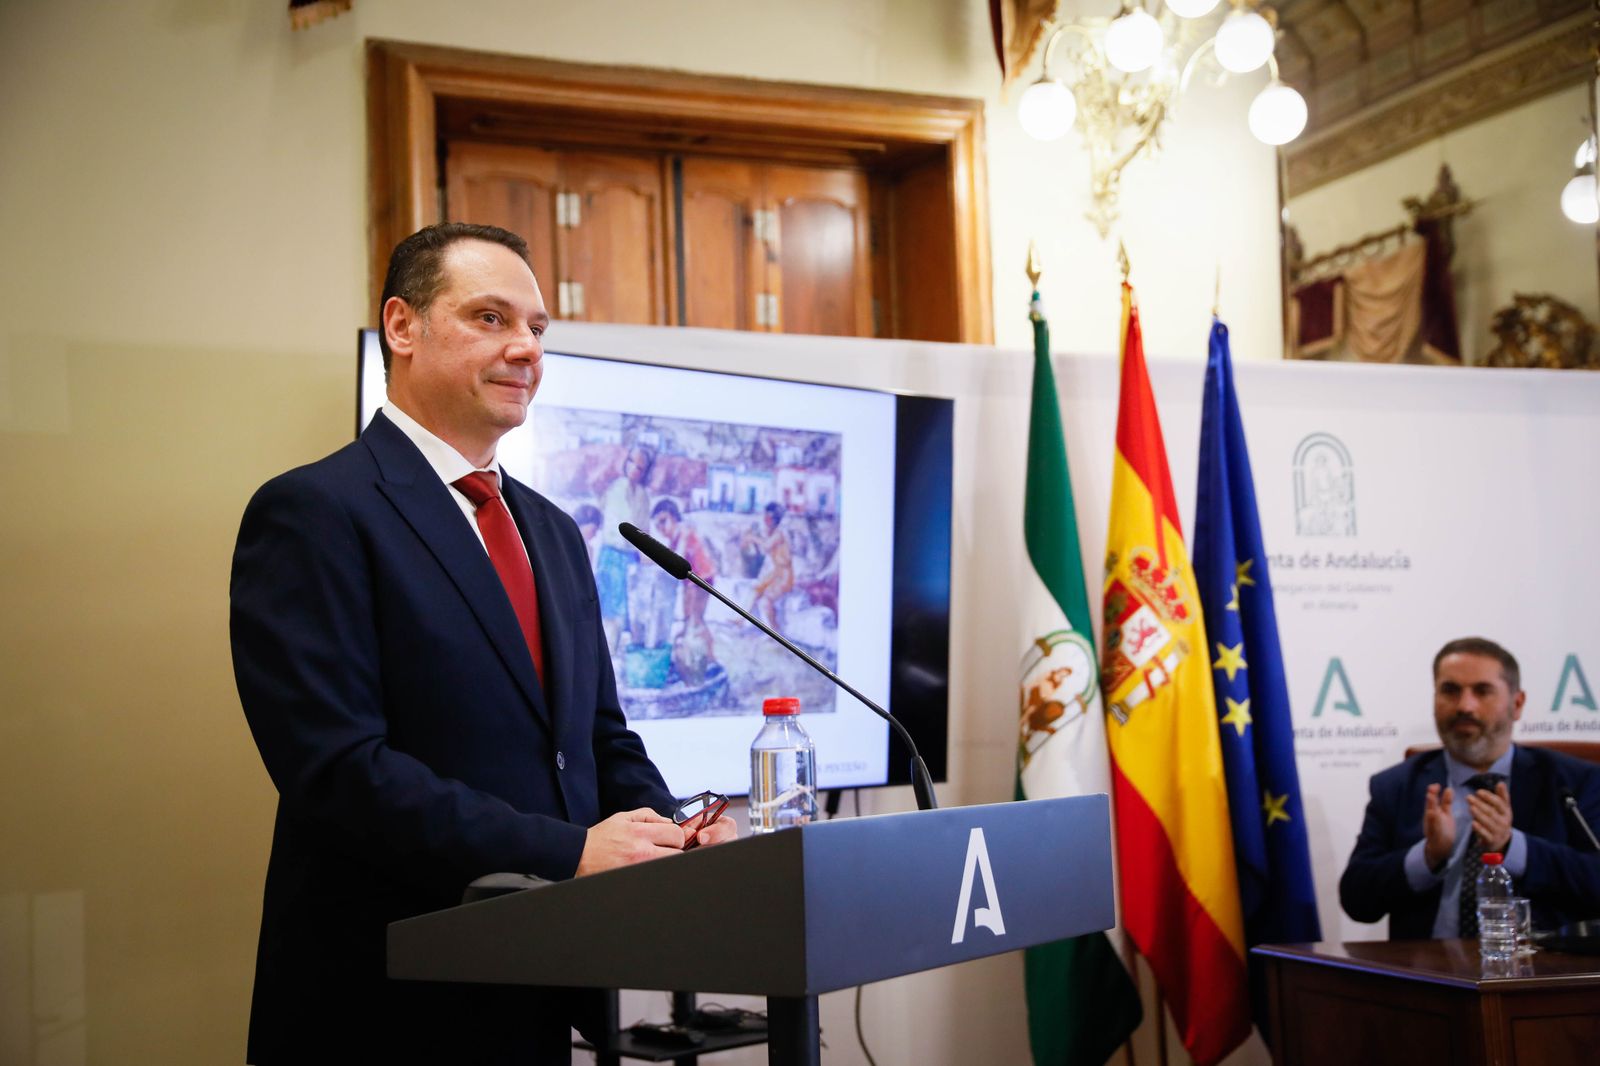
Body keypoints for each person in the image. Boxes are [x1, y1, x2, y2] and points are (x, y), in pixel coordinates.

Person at [230, 222, 734, 1065]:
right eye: (491, 318)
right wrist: (568, 850)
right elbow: (339, 769)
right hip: (382, 998)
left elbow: (598, 742)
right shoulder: (316, 511)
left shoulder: (553, 530)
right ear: (402, 326)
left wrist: (673, 831)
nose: (526, 349)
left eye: (537, 328)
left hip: (540, 981)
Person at [1340, 637, 1600, 939]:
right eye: (1450, 691)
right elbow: (1357, 901)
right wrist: (1426, 857)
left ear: (1516, 704)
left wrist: (1513, 847)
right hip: (1431, 974)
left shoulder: (1572, 782)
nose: (1465, 705)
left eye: (1482, 691)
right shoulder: (1397, 785)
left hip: (1542, 972)